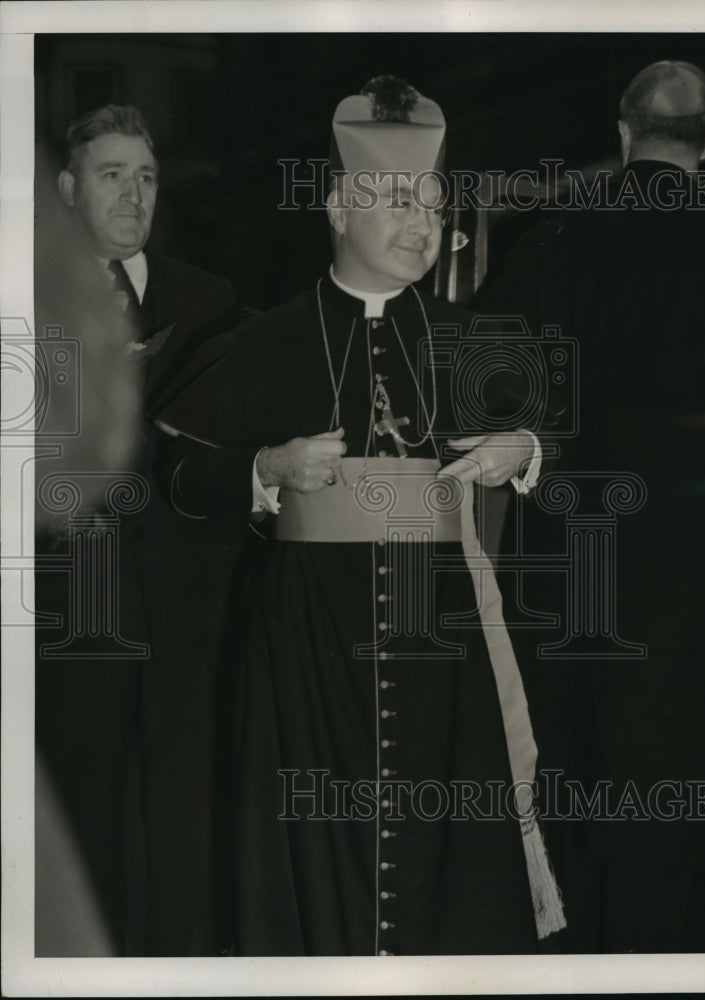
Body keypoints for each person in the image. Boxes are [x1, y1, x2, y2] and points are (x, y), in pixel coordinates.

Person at [157, 75, 565, 956]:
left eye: (431, 201)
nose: (423, 223)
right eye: (395, 200)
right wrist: (265, 466)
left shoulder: (477, 336)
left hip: (441, 638)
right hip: (305, 642)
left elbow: (567, 442)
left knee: (443, 864)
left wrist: (523, 448)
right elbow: (180, 472)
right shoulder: (259, 342)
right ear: (339, 207)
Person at [477, 61, 705, 952]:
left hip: (562, 574)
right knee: (667, 830)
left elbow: (489, 384)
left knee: (560, 792)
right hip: (696, 583)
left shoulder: (553, 233)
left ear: (622, 133)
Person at [35, 105, 247, 955]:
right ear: (65, 188)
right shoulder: (27, 302)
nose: (135, 194)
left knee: (186, 826)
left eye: (148, 176)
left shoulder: (212, 302)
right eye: (112, 174)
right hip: (69, 611)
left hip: (186, 612)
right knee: (85, 821)